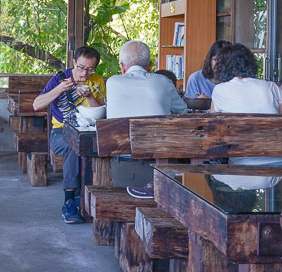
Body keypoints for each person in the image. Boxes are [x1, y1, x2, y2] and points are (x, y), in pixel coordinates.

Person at [33, 46, 106, 224]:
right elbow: (36, 105)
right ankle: (70, 200)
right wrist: (59, 90)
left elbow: (103, 112)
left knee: (102, 147)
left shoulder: (97, 81)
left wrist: (89, 97)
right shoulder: (59, 79)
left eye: (90, 69)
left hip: (89, 132)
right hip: (60, 133)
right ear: (74, 62)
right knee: (75, 147)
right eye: (81, 67)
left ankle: (98, 197)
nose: (84, 73)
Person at [106, 40, 187, 199]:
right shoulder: (163, 81)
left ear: (122, 67)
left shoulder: (112, 82)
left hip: (124, 172)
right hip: (162, 171)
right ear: (150, 65)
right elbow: (182, 111)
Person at [210, 43, 282, 190]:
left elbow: (212, 125)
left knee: (215, 175)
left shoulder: (219, 90)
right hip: (281, 163)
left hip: (242, 164)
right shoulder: (270, 87)